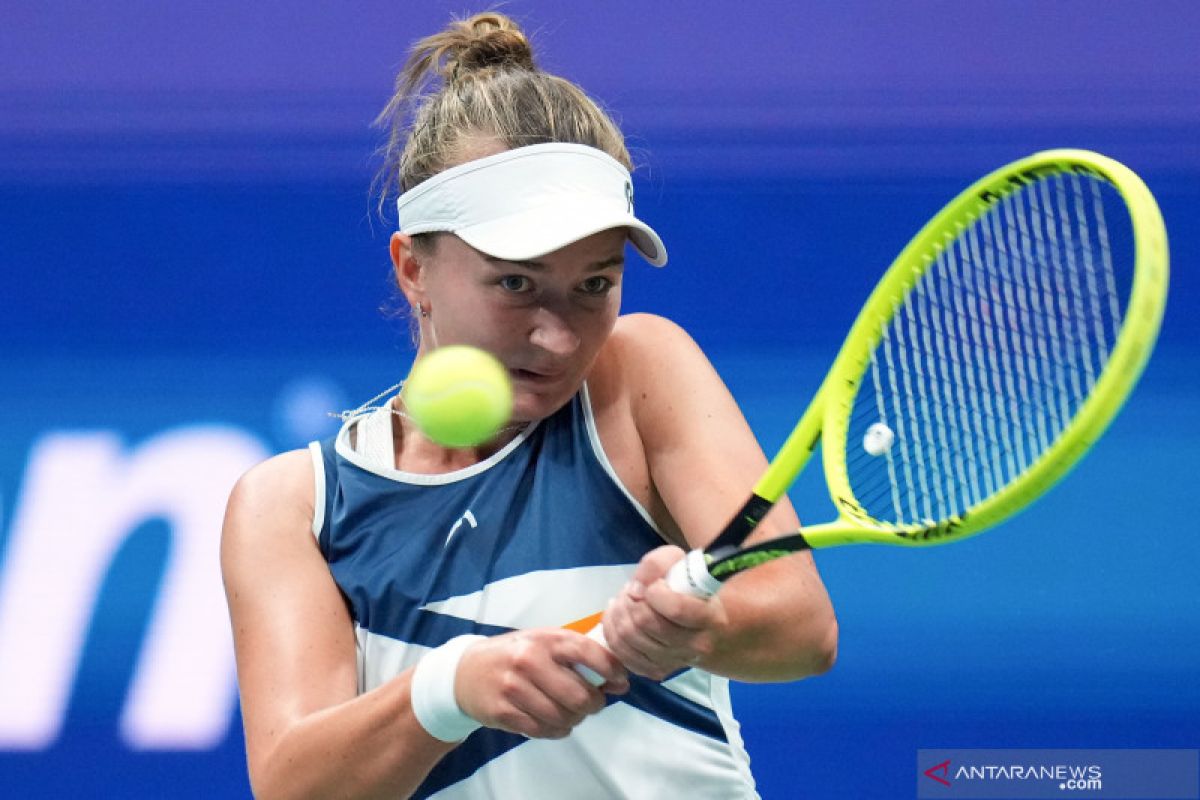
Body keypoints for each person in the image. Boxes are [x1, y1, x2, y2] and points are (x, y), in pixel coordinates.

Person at [221, 11, 837, 800]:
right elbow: (294, 786)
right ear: (413, 269)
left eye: (595, 283)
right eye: (516, 282)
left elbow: (801, 627)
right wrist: (451, 692)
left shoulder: (636, 374)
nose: (556, 337)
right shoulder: (292, 506)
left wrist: (698, 627)